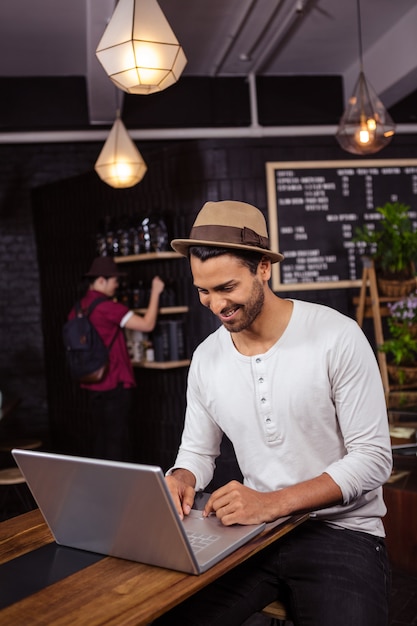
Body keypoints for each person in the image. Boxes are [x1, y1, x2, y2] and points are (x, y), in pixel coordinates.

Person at [155, 200, 393, 626]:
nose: (214, 305)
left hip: (343, 533)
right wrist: (181, 478)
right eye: (203, 291)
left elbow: (373, 460)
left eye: (227, 288)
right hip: (252, 535)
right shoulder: (206, 358)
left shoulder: (336, 336)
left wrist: (271, 504)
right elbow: (196, 451)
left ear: (263, 267)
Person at [67, 256, 164, 461]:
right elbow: (147, 324)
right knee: (117, 440)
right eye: (115, 281)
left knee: (101, 437)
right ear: (101, 280)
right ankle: (120, 489)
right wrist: (155, 291)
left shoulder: (77, 308)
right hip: (114, 381)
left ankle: (103, 487)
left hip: (91, 381)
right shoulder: (108, 307)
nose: (117, 285)